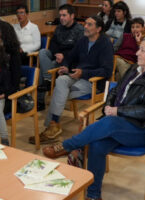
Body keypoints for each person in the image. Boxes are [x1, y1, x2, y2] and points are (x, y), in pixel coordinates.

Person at [42, 37, 145, 200]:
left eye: (142, 50)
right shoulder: (134, 68)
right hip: (118, 124)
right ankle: (93, 196)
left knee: (110, 122)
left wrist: (118, 111)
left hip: (144, 130)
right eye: (138, 49)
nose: (136, 53)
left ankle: (67, 145)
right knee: (97, 144)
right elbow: (115, 91)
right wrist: (110, 106)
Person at [32, 16, 113, 144]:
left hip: (93, 81)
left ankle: (52, 126)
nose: (85, 27)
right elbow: (70, 57)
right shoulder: (83, 40)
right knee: (60, 81)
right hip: (76, 75)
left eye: (89, 25)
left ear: (98, 29)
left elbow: (107, 71)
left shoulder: (105, 44)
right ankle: (54, 125)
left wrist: (84, 72)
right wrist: (65, 66)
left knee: (60, 92)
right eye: (85, 24)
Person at [37, 4, 84, 110]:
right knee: (43, 52)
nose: (61, 18)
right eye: (60, 15)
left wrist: (64, 56)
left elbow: (78, 50)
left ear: (72, 16)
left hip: (69, 61)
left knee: (43, 70)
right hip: (57, 56)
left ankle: (40, 100)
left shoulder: (80, 30)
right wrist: (57, 53)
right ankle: (48, 80)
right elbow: (53, 44)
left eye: (64, 15)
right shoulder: (59, 28)